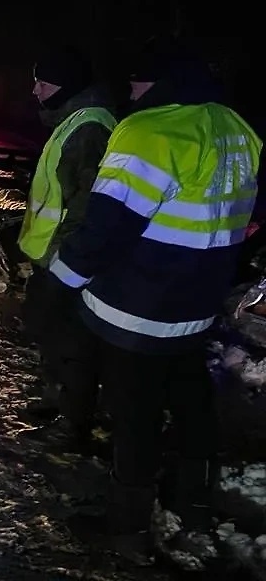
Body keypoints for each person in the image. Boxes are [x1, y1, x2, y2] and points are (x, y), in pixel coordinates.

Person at [48, 37, 262, 565]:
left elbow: (106, 226)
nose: (132, 91)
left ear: (157, 81)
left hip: (137, 304)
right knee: (191, 402)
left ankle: (125, 526)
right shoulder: (238, 127)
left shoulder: (149, 131)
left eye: (137, 81)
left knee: (135, 413)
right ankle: (194, 501)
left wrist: (59, 282)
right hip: (197, 301)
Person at [15, 47, 117, 453]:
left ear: (68, 85)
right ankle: (57, 400)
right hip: (52, 254)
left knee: (73, 340)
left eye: (44, 82)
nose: (35, 90)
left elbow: (89, 200)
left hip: (67, 257)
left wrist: (65, 253)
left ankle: (73, 423)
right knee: (50, 332)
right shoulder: (74, 118)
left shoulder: (90, 126)